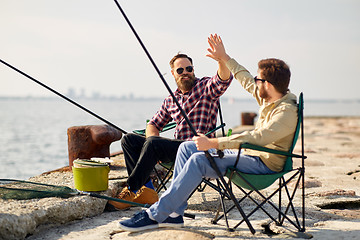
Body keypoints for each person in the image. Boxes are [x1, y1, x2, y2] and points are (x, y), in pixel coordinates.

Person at [117, 34, 298, 232]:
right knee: (187, 147)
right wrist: (224, 57)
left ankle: (156, 213)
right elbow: (244, 77)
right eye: (180, 70)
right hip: (249, 154)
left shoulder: (286, 112)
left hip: (262, 163)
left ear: (268, 85)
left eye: (259, 80)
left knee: (198, 160)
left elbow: (258, 138)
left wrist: (213, 143)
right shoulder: (269, 99)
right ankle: (175, 214)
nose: (255, 82)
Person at [108, 51, 233, 209]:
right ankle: (147, 190)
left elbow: (223, 80)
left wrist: (221, 60)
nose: (185, 73)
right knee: (129, 140)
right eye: (180, 70)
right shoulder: (170, 100)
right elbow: (153, 124)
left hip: (199, 149)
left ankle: (131, 188)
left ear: (193, 70)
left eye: (189, 69)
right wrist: (150, 142)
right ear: (173, 73)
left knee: (153, 144)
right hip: (177, 149)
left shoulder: (205, 88)